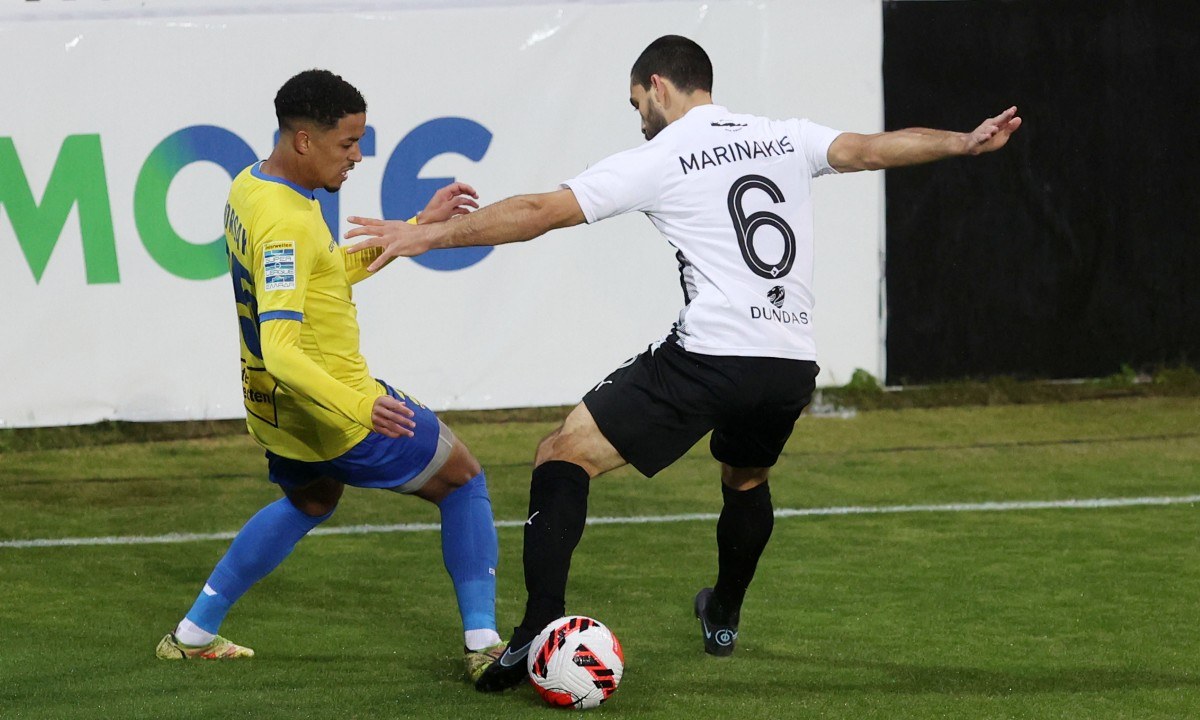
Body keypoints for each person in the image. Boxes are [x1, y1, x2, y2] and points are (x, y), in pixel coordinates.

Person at [344, 35, 1023, 691]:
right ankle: (723, 612)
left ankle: (535, 631)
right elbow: (871, 148)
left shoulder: (663, 155)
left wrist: (427, 234)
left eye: (637, 103)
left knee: (561, 454)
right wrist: (962, 142)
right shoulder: (785, 136)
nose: (639, 117)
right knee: (746, 479)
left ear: (658, 87)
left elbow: (538, 211)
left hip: (711, 354)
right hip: (789, 361)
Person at [155, 69, 507, 683]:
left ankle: (192, 634)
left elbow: (323, 274)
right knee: (463, 481)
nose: (357, 156)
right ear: (303, 140)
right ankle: (483, 646)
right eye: (348, 143)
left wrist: (416, 228)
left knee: (311, 499)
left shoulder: (249, 185)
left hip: (273, 411)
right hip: (334, 409)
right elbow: (282, 348)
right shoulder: (288, 221)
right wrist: (359, 406)